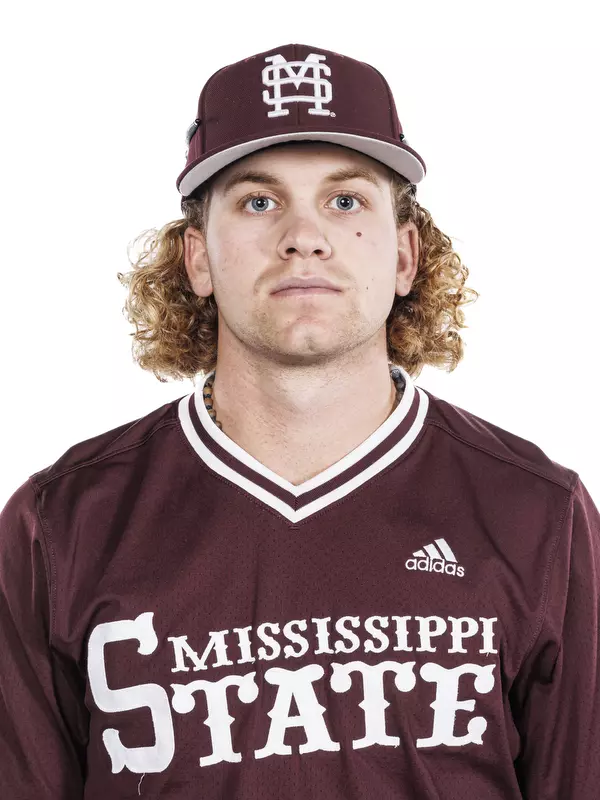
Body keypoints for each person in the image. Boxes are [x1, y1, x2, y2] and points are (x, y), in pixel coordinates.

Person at [0, 42, 598, 800]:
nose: (302, 236)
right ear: (197, 259)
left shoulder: (537, 514)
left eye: (345, 201)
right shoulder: (59, 525)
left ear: (406, 255)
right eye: (259, 201)